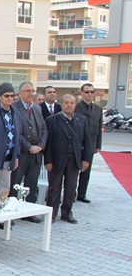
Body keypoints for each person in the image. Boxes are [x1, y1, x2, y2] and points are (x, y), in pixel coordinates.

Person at [44, 94, 91, 224]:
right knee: (54, 188)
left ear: (75, 104)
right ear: (61, 104)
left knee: (71, 187)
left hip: (74, 159)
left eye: (72, 103)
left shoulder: (81, 120)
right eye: (66, 103)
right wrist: (48, 161)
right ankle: (51, 214)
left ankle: (67, 213)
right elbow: (48, 143)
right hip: (57, 159)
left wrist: (86, 160)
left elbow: (87, 141)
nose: (69, 105)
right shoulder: (52, 120)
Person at [10, 82, 47, 220]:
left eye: (33, 90)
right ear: (20, 93)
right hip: (22, 153)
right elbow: (15, 131)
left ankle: (29, 212)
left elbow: (43, 128)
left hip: (36, 154)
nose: (31, 93)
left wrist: (40, 146)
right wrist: (29, 147)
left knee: (32, 184)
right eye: (27, 91)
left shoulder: (37, 108)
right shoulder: (14, 107)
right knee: (16, 183)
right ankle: (11, 211)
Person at [75, 83, 103, 204]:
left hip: (90, 145)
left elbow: (99, 129)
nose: (90, 94)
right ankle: (70, 193)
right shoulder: (76, 107)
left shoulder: (98, 109)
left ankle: (82, 194)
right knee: (73, 171)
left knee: (86, 172)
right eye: (87, 92)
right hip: (76, 144)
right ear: (81, 93)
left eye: (92, 92)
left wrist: (98, 145)